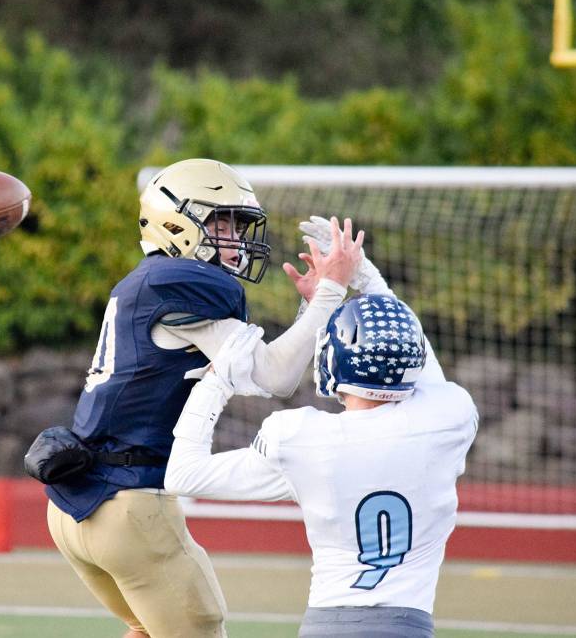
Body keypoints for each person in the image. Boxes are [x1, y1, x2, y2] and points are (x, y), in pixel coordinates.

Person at [30, 158, 363, 638]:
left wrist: (313, 305)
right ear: (175, 221)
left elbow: (269, 371)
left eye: (236, 223)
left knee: (148, 631)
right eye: (219, 221)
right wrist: (332, 289)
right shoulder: (179, 285)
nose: (234, 236)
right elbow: (273, 377)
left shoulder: (146, 282)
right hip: (130, 505)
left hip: (73, 502)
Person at [165, 221, 479, 638]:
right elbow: (412, 349)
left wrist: (218, 380)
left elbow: (182, 474)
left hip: (326, 626)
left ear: (333, 360)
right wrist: (365, 275)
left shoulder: (300, 439)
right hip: (409, 627)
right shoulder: (449, 416)